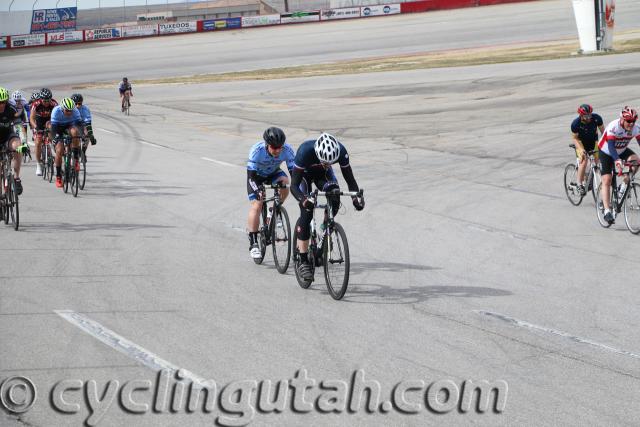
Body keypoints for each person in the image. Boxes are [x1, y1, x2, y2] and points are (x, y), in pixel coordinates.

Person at [289, 132, 365, 280]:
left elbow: (350, 178)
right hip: (304, 175)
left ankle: (326, 229)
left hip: (322, 176)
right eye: (324, 162)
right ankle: (303, 260)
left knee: (334, 194)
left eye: (330, 162)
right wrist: (303, 200)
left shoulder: (341, 151)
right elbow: (293, 186)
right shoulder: (305, 151)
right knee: (307, 210)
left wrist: (356, 198)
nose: (327, 164)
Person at [246, 127, 295, 259]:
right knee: (257, 204)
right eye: (274, 147)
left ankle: (275, 208)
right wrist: (257, 189)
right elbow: (251, 177)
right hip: (256, 177)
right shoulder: (257, 151)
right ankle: (254, 242)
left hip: (273, 173)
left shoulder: (287, 150)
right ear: (267, 145)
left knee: (285, 181)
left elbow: (294, 174)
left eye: (280, 147)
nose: (278, 150)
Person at [597, 106, 640, 224]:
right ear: (622, 119)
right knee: (607, 179)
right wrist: (616, 160)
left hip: (621, 150)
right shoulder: (613, 126)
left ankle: (623, 185)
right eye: (628, 121)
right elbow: (611, 146)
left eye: (633, 121)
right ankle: (607, 211)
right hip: (606, 151)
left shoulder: (635, 128)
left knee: (636, 161)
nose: (631, 124)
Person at [571, 104, 604, 195]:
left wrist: (606, 144)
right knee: (584, 161)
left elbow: (604, 133)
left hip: (593, 142)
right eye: (586, 115)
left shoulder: (597, 118)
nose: (589, 117)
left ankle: (589, 179)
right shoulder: (576, 123)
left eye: (590, 114)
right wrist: (581, 150)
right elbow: (575, 138)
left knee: (596, 163)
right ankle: (579, 184)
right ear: (581, 115)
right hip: (581, 143)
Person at [50, 97, 82, 188]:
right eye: (67, 111)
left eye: (71, 111)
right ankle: (58, 176)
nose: (69, 112)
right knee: (59, 150)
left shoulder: (75, 111)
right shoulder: (56, 111)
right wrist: (55, 138)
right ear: (62, 108)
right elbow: (53, 130)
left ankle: (75, 159)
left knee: (75, 133)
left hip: (69, 125)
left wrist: (82, 135)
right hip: (58, 127)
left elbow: (79, 125)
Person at [0, 87, 26, 195]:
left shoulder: (11, 108)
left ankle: (16, 178)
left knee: (17, 146)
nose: (1, 105)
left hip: (7, 136)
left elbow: (19, 126)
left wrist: (24, 141)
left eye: (3, 102)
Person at [30, 88, 58, 176]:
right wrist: (35, 128)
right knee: (38, 142)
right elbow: (31, 118)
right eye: (44, 101)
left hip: (49, 120)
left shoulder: (54, 104)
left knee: (51, 133)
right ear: (40, 99)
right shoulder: (36, 104)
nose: (46, 103)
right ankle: (38, 164)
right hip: (39, 121)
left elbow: (57, 117)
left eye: (48, 100)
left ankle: (52, 147)